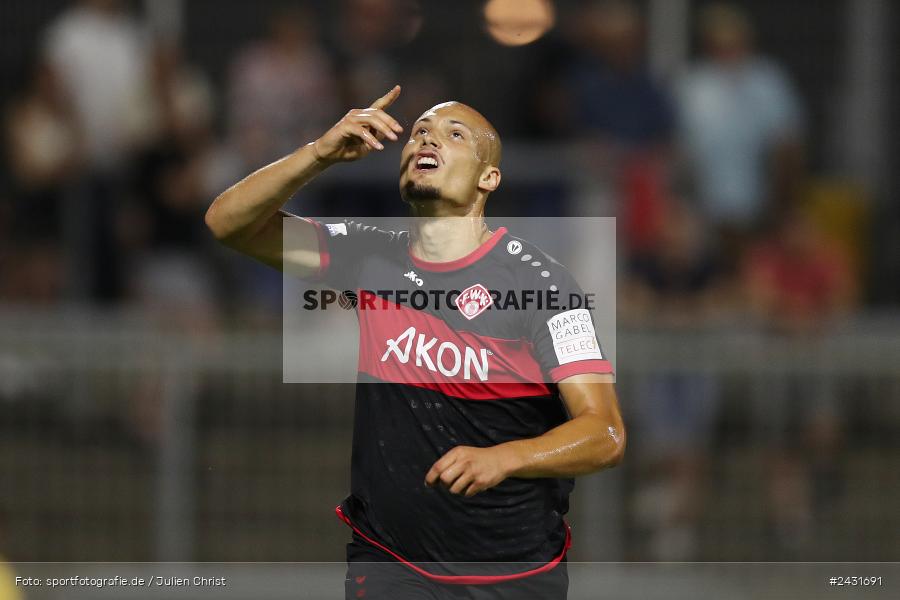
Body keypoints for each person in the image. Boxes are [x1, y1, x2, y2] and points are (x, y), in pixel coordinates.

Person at [205, 86, 625, 599]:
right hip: (388, 562)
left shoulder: (543, 284)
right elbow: (227, 223)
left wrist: (506, 457)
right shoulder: (366, 253)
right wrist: (319, 153)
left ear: (487, 178)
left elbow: (604, 432)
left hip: (511, 574)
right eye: (420, 132)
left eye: (454, 135)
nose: (428, 139)